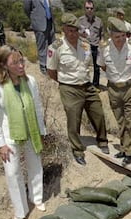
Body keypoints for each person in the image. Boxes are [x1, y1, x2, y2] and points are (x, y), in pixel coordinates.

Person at [0, 45, 47, 219]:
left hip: (31, 132)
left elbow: (37, 108)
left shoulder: (30, 81)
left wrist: (41, 131)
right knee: (13, 173)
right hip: (9, 137)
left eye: (22, 60)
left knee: (35, 166)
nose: (21, 65)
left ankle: (36, 198)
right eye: (15, 62)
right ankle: (20, 210)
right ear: (4, 64)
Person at [47, 13, 109, 166]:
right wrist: (65, 83)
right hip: (69, 88)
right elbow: (51, 71)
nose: (73, 33)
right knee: (74, 118)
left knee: (98, 113)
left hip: (87, 86)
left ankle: (102, 140)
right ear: (64, 30)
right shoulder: (56, 47)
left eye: (75, 30)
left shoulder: (85, 44)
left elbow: (90, 65)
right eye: (70, 30)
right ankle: (77, 149)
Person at [98, 17, 131, 165]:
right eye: (117, 37)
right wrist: (114, 79)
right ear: (110, 35)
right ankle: (124, 148)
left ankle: (129, 152)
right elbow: (102, 66)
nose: (120, 40)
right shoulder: (104, 48)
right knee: (121, 121)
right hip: (113, 89)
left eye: (123, 36)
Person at [24, 0, 55, 74]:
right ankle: (43, 65)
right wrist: (34, 18)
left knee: (52, 44)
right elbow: (27, 9)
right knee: (42, 45)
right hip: (39, 23)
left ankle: (51, 64)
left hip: (49, 21)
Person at [78, 0, 103, 88]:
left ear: (94, 9)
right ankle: (85, 84)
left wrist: (101, 46)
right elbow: (77, 33)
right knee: (84, 66)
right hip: (84, 46)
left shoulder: (99, 21)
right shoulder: (80, 20)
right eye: (87, 8)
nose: (89, 10)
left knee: (97, 67)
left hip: (96, 46)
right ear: (84, 8)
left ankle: (96, 86)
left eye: (91, 8)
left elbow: (101, 35)